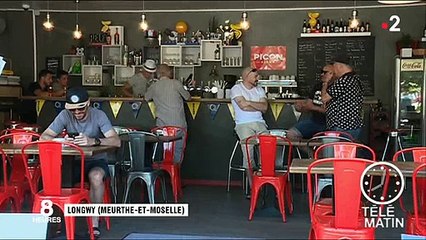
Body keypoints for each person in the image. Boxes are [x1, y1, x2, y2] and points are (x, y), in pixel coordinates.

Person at [40, 87, 120, 237]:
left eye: (81, 109)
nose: (77, 113)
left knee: (96, 177)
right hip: (72, 162)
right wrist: (62, 140)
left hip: (95, 160)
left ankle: (94, 221)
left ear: (88, 103)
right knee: (57, 180)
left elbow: (116, 141)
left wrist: (93, 141)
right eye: (73, 110)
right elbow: (44, 137)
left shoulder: (99, 115)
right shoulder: (64, 115)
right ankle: (61, 222)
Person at [230, 67, 268, 196]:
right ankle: (253, 188)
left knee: (269, 149)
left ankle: (265, 183)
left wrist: (249, 103)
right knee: (249, 154)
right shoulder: (236, 88)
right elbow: (243, 106)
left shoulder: (260, 89)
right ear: (246, 76)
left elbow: (264, 108)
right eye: (256, 76)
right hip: (243, 124)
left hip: (260, 123)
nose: (258, 78)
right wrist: (255, 105)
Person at [145, 64, 192, 162]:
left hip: (161, 126)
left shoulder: (154, 86)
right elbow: (188, 97)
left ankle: (164, 172)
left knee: (163, 150)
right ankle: (175, 172)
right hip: (178, 125)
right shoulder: (176, 83)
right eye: (170, 71)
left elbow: (146, 98)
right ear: (166, 72)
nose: (171, 72)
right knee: (178, 150)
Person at [286, 64, 335, 140]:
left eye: (325, 72)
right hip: (314, 121)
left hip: (331, 124)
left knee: (327, 141)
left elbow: (331, 110)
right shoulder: (317, 86)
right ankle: (310, 152)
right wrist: (301, 107)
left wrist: (313, 107)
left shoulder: (337, 88)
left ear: (333, 73)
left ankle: (320, 151)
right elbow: (309, 105)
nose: (322, 74)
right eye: (321, 72)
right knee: (291, 134)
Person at [321, 55, 364, 140]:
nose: (333, 70)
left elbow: (324, 98)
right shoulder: (355, 79)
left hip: (342, 126)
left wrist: (325, 82)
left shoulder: (344, 80)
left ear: (339, 66)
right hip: (352, 125)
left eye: (334, 67)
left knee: (337, 152)